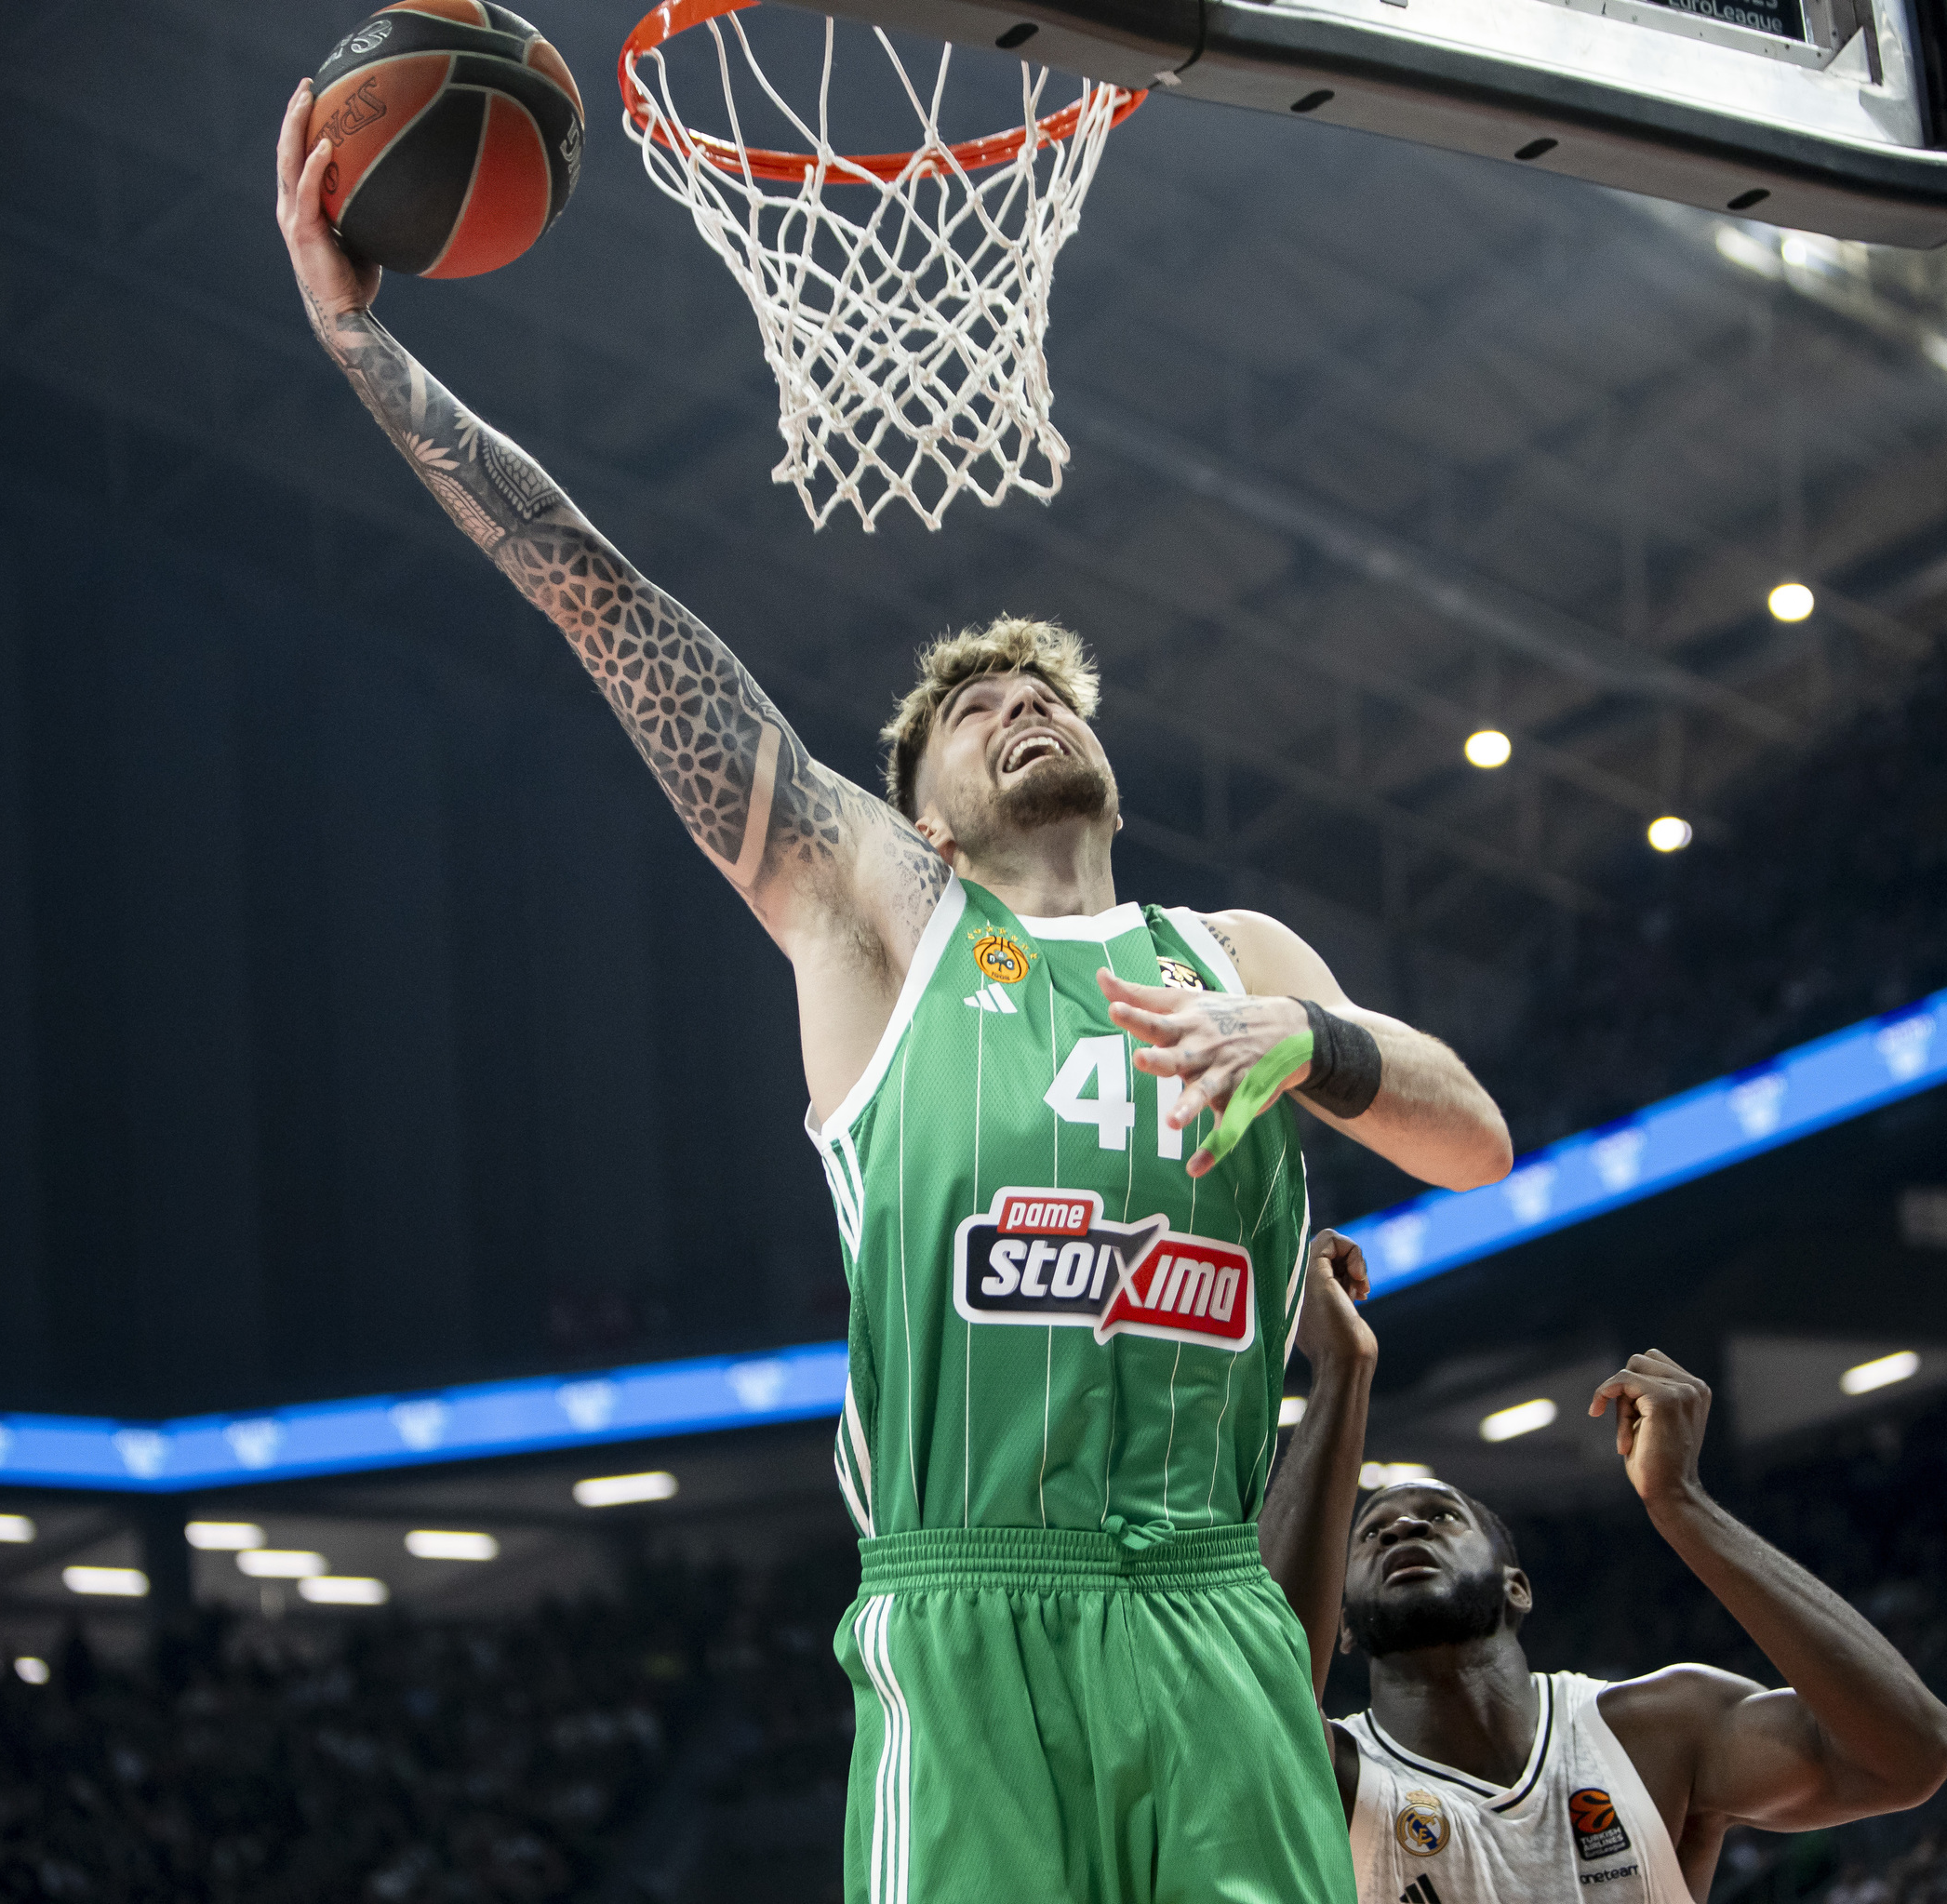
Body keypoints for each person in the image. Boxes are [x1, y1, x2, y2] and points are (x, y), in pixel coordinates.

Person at [270, 83, 1516, 1904]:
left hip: (1210, 1603)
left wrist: (1311, 1044)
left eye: (1052, 694)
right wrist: (362, 349)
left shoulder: (1239, 957)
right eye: (973, 711)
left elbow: (1475, 1142)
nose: (1025, 705)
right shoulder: (883, 923)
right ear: (917, 807)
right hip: (967, 1602)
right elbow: (607, 607)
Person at [1262, 1254, 1947, 1904]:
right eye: (1373, 1532)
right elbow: (1249, 1695)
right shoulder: (1329, 1775)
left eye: (1441, 1514)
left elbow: (1910, 1754)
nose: (1402, 1529)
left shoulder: (1653, 1728)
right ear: (1343, 1623)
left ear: (1517, 1586)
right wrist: (1343, 1368)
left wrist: (1682, 1504)